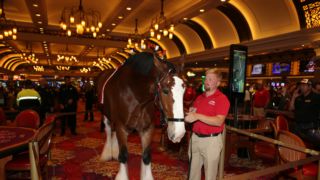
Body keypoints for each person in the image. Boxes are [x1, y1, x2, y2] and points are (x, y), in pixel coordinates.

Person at [185, 68, 230, 180]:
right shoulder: (199, 97)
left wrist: (197, 116)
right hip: (195, 138)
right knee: (193, 174)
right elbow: (195, 114)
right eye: (206, 79)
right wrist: (191, 113)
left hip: (211, 141)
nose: (206, 82)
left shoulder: (222, 99)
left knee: (210, 175)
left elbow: (219, 121)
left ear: (218, 83)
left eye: (210, 79)